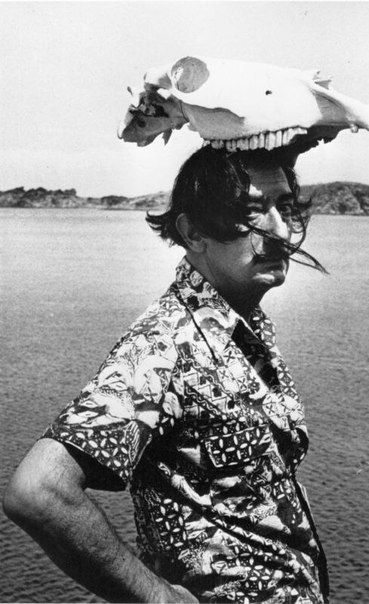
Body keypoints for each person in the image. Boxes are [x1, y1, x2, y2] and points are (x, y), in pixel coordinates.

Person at [3, 145, 330, 603]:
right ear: (193, 233)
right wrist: (159, 598)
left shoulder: (238, 324)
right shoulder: (166, 344)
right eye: (250, 213)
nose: (280, 231)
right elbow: (39, 490)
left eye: (286, 207)